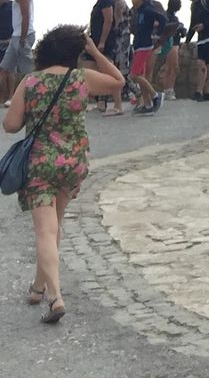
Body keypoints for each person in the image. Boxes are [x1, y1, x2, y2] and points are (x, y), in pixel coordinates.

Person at [3, 25, 123, 323]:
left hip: (40, 164)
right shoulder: (82, 78)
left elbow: (10, 125)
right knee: (54, 226)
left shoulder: (31, 82)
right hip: (72, 163)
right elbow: (118, 81)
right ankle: (38, 287)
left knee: (45, 231)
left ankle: (56, 296)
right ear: (76, 51)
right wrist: (95, 52)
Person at [128, 0, 166, 114]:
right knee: (140, 76)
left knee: (134, 75)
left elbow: (162, 19)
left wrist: (157, 34)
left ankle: (156, 95)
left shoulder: (147, 10)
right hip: (139, 45)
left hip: (144, 46)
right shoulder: (139, 11)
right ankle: (147, 104)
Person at [1, 0, 36, 99]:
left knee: (27, 70)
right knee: (4, 68)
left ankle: (35, 95)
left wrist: (23, 38)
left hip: (23, 35)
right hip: (16, 35)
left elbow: (25, 16)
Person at [106, 0, 132, 115]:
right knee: (121, 65)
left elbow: (116, 22)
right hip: (124, 36)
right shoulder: (121, 0)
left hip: (121, 37)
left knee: (121, 66)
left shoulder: (119, 3)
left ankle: (132, 91)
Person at [152, 0, 184, 97]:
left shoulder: (171, 16)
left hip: (174, 42)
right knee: (172, 66)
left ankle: (168, 89)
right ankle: (168, 89)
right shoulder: (168, 16)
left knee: (172, 67)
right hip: (171, 43)